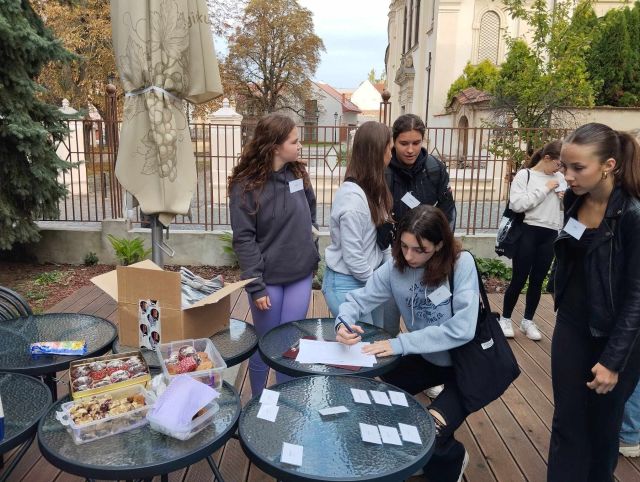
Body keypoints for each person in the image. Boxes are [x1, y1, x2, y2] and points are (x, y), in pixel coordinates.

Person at [335, 205, 479, 482]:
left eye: (419, 249)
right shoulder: (395, 266)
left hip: (466, 366)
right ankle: (418, 456)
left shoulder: (461, 264)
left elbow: (463, 328)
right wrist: (343, 324)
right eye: (403, 246)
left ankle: (453, 460)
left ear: (439, 245)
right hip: (425, 357)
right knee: (375, 401)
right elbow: (358, 300)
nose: (409, 256)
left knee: (431, 431)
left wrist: (400, 343)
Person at [548, 123, 640, 481]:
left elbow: (637, 297)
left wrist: (613, 362)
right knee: (567, 420)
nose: (567, 176)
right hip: (572, 324)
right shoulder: (574, 199)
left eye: (578, 167)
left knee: (603, 427)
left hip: (616, 337)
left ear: (608, 165)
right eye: (564, 166)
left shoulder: (632, 215)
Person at [229, 113, 319, 397]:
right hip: (267, 280)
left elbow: (311, 211)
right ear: (275, 146)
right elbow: (243, 238)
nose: (300, 145)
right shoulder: (245, 185)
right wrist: (255, 285)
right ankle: (260, 401)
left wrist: (311, 247)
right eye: (294, 141)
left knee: (289, 342)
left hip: (300, 274)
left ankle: (284, 404)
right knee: (266, 342)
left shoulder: (298, 174)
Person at [322, 121, 395, 331]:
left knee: (376, 337)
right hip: (347, 282)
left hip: (368, 278)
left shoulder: (373, 189)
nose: (392, 155)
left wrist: (389, 273)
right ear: (378, 151)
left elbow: (382, 240)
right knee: (362, 343)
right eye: (390, 149)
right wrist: (379, 284)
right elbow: (353, 257)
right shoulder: (352, 200)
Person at [498, 141, 565, 341]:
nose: (560, 169)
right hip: (528, 230)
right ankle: (505, 318)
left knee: (537, 280)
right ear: (547, 158)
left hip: (550, 232)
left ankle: (527, 320)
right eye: (558, 164)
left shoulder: (561, 178)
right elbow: (517, 205)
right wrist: (545, 189)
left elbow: (564, 208)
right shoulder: (524, 175)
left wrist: (564, 198)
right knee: (519, 278)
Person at [386, 114, 456, 230]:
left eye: (416, 143)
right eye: (404, 144)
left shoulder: (435, 169)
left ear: (422, 141)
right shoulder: (382, 170)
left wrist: (442, 239)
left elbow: (447, 212)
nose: (410, 150)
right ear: (394, 141)